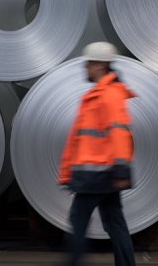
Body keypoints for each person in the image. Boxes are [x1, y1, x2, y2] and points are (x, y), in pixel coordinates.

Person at [59, 41, 137, 266]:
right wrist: (67, 173)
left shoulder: (108, 95)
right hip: (102, 174)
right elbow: (80, 139)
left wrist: (122, 169)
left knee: (78, 220)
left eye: (89, 64)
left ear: (100, 66)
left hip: (98, 175)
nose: (86, 69)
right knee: (115, 224)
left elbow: (120, 132)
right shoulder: (99, 94)